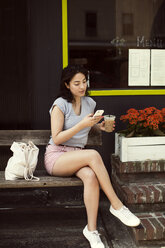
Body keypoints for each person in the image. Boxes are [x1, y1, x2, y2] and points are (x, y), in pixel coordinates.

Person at [44, 65, 140, 248]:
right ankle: (117, 205)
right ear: (67, 85)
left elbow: (88, 124)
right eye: (77, 83)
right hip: (57, 156)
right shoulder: (60, 104)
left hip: (78, 155)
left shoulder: (90, 103)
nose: (82, 86)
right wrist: (82, 125)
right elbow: (56, 138)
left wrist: (98, 127)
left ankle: (92, 230)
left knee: (90, 176)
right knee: (94, 155)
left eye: (84, 82)